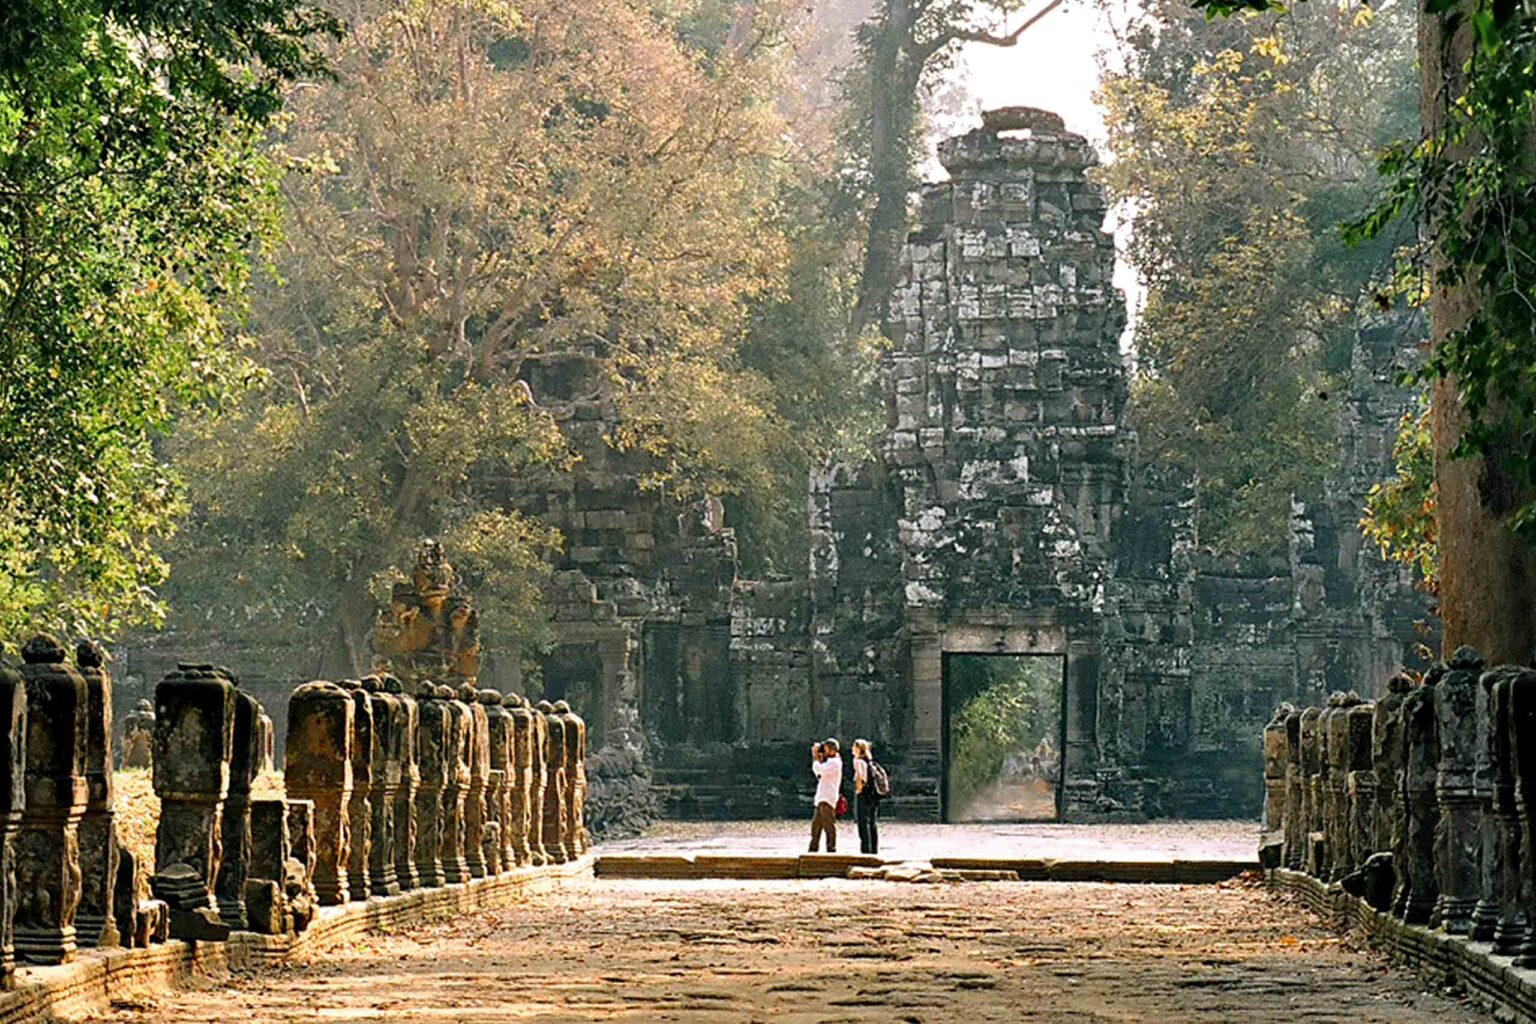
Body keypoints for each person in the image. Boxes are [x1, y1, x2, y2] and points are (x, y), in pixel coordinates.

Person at [809, 738, 842, 853]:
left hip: (827, 797)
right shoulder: (829, 762)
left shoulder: (835, 762)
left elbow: (820, 770)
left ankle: (831, 848)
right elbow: (819, 775)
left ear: (832, 750)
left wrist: (815, 758)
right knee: (816, 826)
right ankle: (813, 848)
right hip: (822, 797)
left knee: (828, 825)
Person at [852, 738, 881, 855]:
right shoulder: (870, 762)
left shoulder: (858, 761)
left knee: (863, 823)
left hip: (864, 794)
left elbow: (860, 778)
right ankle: (873, 849)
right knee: (872, 823)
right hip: (873, 795)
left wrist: (858, 791)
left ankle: (865, 849)